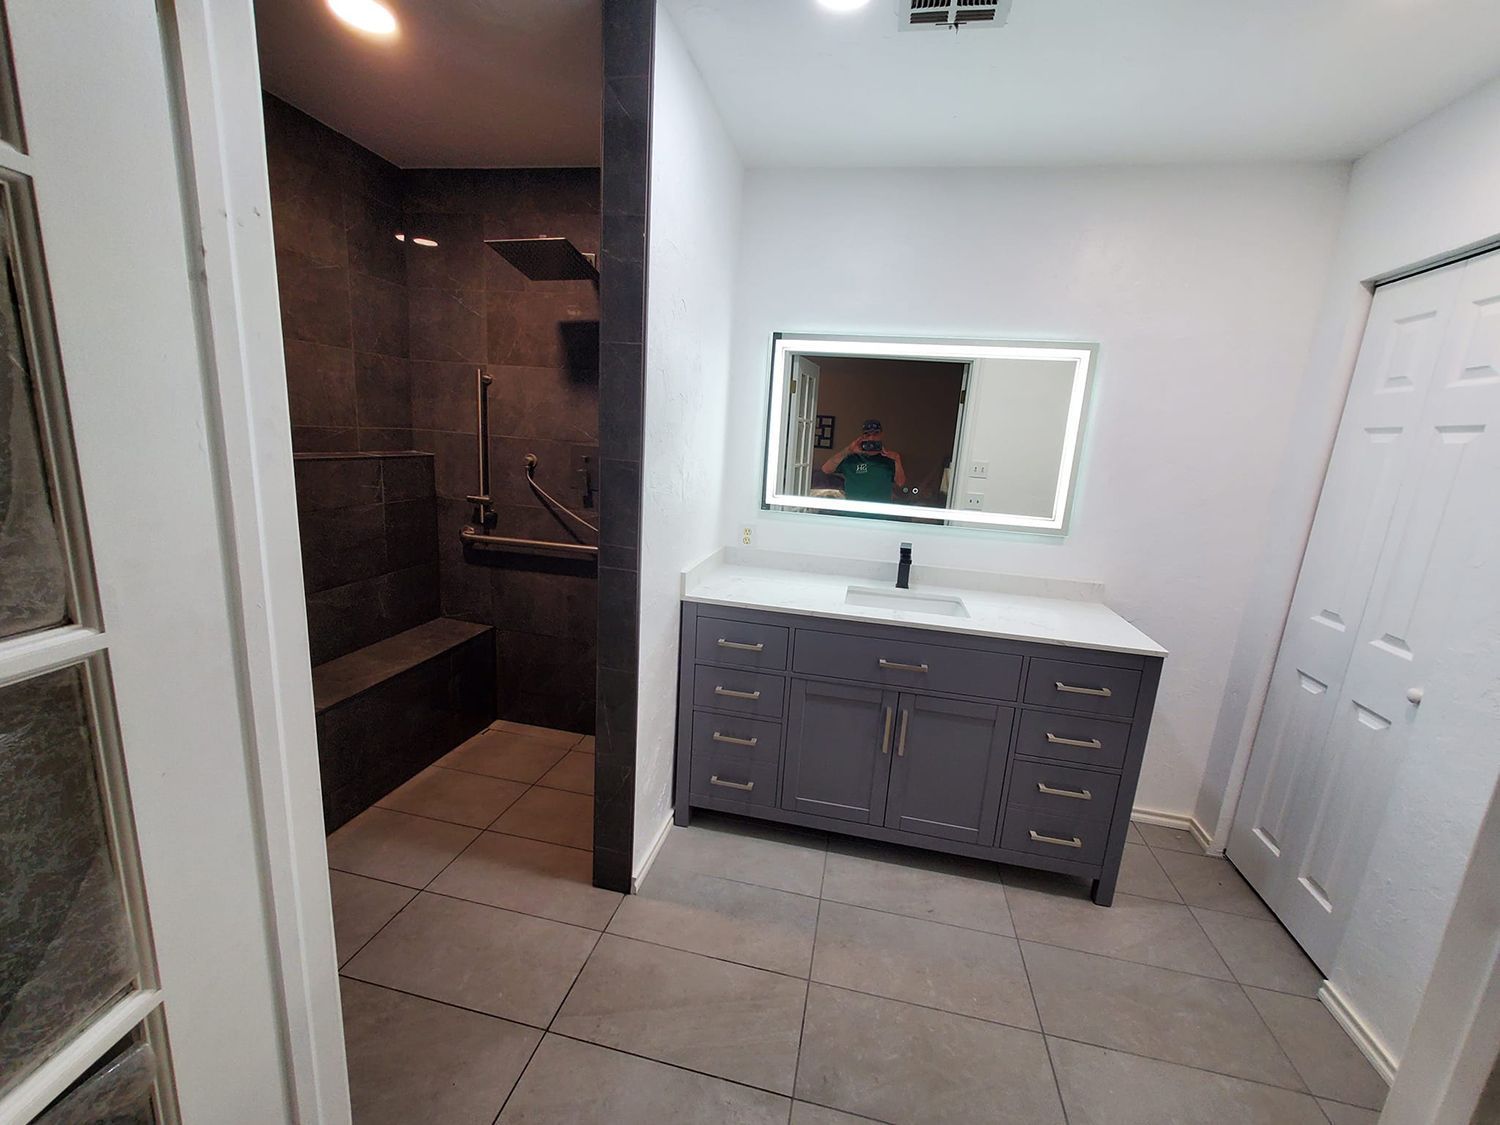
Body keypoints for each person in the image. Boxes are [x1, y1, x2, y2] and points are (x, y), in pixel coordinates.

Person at [822, 419, 906, 502]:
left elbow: (900, 483)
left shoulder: (890, 459)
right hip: (854, 509)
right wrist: (848, 450)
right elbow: (826, 469)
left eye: (875, 434)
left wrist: (897, 460)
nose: (871, 438)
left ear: (881, 435)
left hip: (880, 510)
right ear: (862, 437)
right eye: (867, 435)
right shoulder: (851, 458)